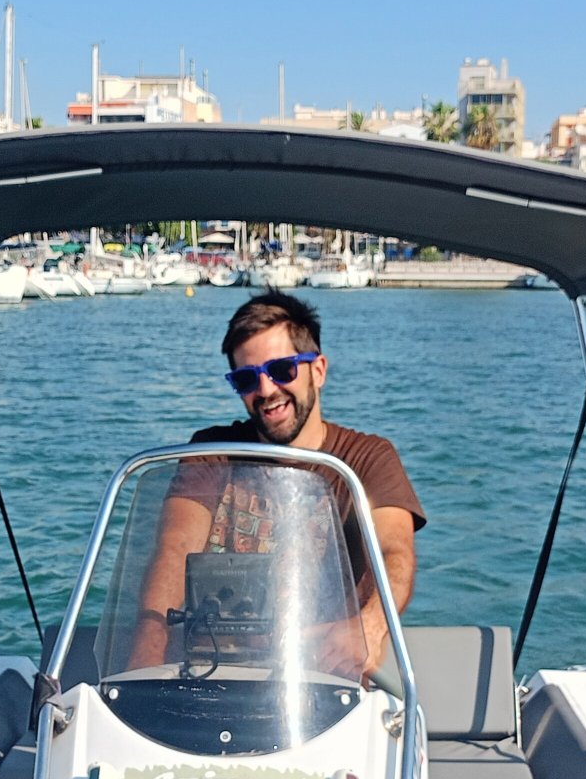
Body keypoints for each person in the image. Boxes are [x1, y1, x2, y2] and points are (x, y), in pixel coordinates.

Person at [127, 289, 425, 675]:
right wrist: (147, 651)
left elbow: (395, 553)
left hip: (323, 674)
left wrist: (370, 625)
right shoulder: (212, 451)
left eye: (282, 370)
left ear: (318, 370)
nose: (266, 390)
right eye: (247, 379)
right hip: (213, 671)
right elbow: (175, 546)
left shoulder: (367, 458)